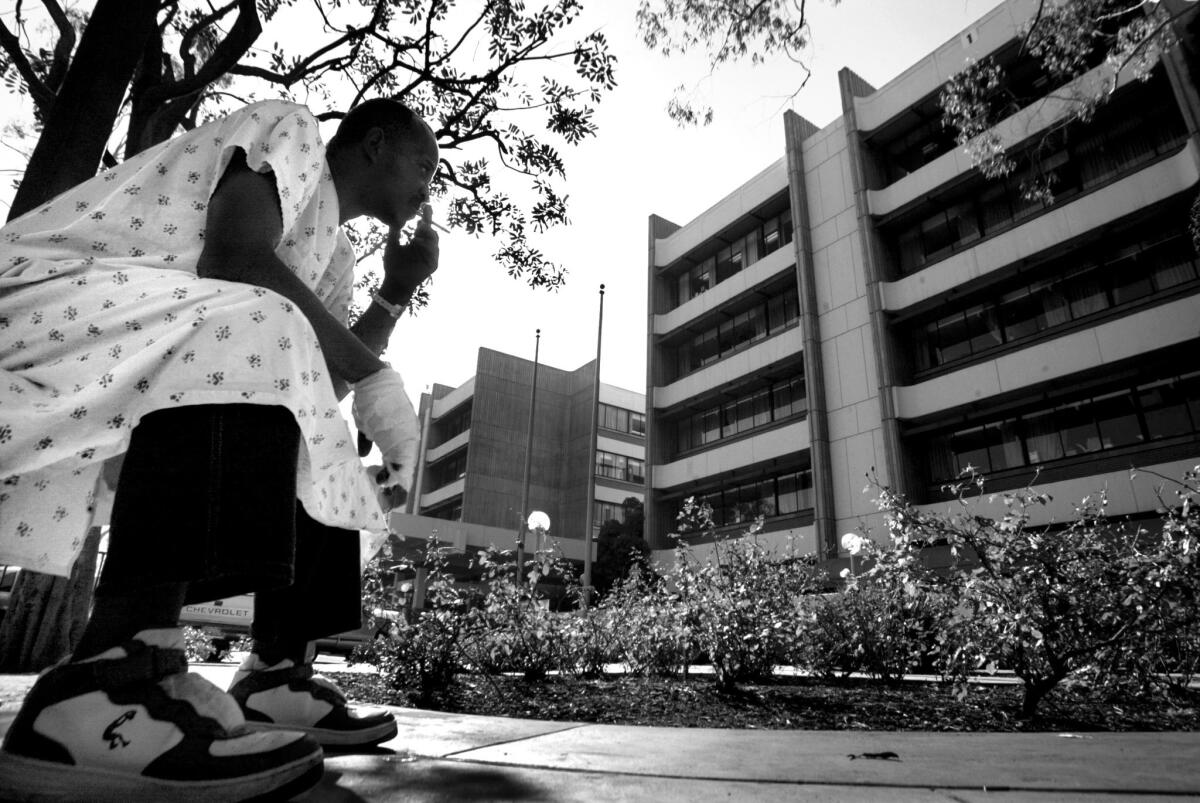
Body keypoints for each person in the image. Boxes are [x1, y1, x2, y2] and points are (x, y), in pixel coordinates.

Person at [0, 96, 439, 800]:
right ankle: (101, 677)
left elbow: (310, 380)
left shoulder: (338, 251)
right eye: (424, 164)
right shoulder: (290, 129)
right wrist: (374, 373)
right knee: (255, 324)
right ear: (377, 144)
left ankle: (262, 671)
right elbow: (233, 256)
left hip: (153, 330)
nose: (428, 187)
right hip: (56, 295)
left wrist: (392, 294)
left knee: (310, 417)